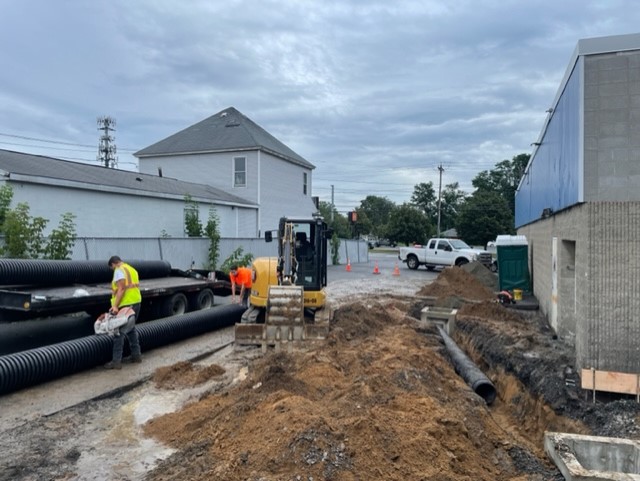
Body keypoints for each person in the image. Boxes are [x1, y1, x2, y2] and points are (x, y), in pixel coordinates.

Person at [104, 255, 142, 369]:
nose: (113, 270)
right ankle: (136, 356)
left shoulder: (119, 270)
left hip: (126, 304)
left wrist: (115, 306)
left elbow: (121, 288)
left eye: (112, 268)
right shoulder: (132, 269)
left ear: (113, 264)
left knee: (118, 332)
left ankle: (116, 362)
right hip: (136, 302)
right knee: (131, 330)